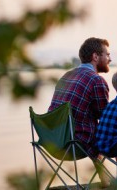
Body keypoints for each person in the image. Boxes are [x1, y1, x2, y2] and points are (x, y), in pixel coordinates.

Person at [48, 37, 111, 186]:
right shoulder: (96, 80)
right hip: (75, 144)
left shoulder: (66, 76)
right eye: (107, 55)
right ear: (95, 56)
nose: (110, 59)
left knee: (92, 128)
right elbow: (105, 118)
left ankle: (105, 179)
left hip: (52, 140)